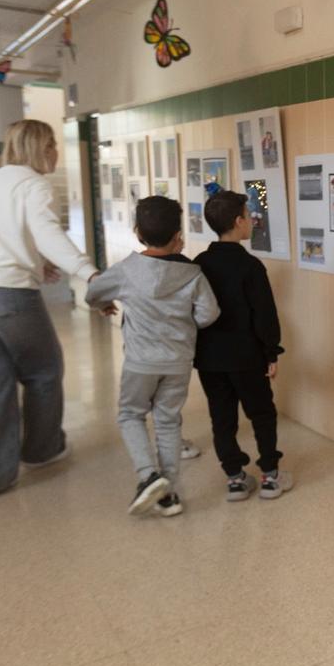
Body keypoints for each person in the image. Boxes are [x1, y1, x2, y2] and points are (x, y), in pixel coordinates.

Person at [0, 119, 99, 500]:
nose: (55, 153)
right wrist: (90, 274)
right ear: (41, 149)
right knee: (43, 370)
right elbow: (48, 233)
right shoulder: (34, 184)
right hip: (4, 296)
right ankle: (42, 450)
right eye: (52, 146)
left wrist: (36, 264)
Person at [85, 197, 219, 516]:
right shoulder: (193, 274)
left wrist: (102, 304)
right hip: (178, 361)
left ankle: (148, 476)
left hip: (140, 362)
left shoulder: (126, 270)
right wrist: (184, 325)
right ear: (178, 235)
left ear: (137, 232)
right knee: (168, 420)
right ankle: (168, 494)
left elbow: (93, 293)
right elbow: (209, 314)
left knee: (130, 414)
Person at [194, 189, 291, 501]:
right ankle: (270, 476)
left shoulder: (199, 264)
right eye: (249, 216)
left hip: (209, 359)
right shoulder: (250, 266)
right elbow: (265, 315)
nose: (251, 221)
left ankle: (235, 478)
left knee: (222, 418)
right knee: (261, 414)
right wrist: (271, 352)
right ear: (238, 222)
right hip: (247, 357)